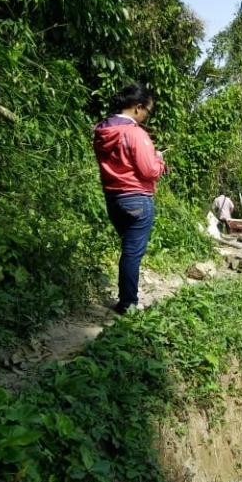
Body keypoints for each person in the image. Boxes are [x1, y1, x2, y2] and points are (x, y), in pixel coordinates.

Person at [93, 84, 167, 314]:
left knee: (128, 249)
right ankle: (128, 304)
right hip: (137, 198)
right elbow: (149, 171)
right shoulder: (135, 134)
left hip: (113, 197)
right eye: (147, 110)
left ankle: (127, 299)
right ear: (137, 108)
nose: (146, 115)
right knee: (133, 253)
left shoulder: (101, 131)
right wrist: (159, 159)